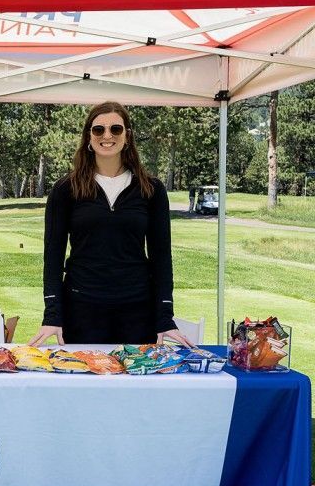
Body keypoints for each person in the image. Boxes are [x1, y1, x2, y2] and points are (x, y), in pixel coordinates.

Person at [29, 102, 193, 348]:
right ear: (88, 137)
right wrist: (52, 315)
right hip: (81, 311)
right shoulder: (65, 189)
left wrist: (164, 317)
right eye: (98, 130)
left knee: (136, 386)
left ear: (127, 136)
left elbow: (161, 258)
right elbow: (52, 257)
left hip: (137, 312)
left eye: (116, 129)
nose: (107, 136)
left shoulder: (152, 189)